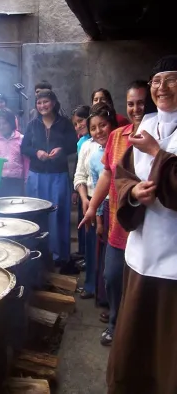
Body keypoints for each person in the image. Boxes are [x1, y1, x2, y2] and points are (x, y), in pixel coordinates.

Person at [106, 56, 177, 394]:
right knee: (135, 334)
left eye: (171, 80)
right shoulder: (145, 125)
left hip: (174, 258)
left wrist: (158, 153)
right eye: (157, 81)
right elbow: (122, 176)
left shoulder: (148, 138)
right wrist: (132, 191)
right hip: (142, 251)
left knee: (167, 343)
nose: (162, 88)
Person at [79, 80, 156, 344]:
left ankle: (136, 330)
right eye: (131, 104)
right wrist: (91, 207)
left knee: (142, 282)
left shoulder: (161, 136)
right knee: (112, 276)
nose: (136, 109)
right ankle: (114, 322)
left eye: (141, 103)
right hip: (118, 223)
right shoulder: (117, 136)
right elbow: (106, 175)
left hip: (149, 226)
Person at [21, 89, 77, 271]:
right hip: (36, 176)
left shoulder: (65, 123)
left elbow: (72, 145)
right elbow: (24, 147)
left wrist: (61, 149)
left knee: (59, 215)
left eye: (45, 102)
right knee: (37, 215)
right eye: (39, 103)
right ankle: (38, 253)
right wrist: (36, 152)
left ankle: (60, 256)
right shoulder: (32, 125)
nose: (42, 106)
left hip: (58, 175)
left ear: (53, 103)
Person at [74, 103, 117, 299]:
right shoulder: (87, 147)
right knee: (92, 250)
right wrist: (85, 199)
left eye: (103, 125)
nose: (98, 131)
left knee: (110, 253)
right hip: (91, 202)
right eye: (93, 127)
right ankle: (92, 287)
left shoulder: (119, 144)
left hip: (113, 204)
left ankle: (108, 294)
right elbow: (79, 176)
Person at [0, 108, 28, 197]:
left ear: (11, 123)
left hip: (16, 181)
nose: (1, 127)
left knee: (15, 206)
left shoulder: (21, 139)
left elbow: (26, 161)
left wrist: (26, 179)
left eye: (5, 123)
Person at [71, 105, 91, 261]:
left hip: (93, 189)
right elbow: (79, 166)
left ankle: (89, 257)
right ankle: (84, 253)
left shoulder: (94, 139)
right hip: (82, 186)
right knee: (82, 221)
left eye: (81, 121)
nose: (78, 126)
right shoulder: (81, 141)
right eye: (75, 124)